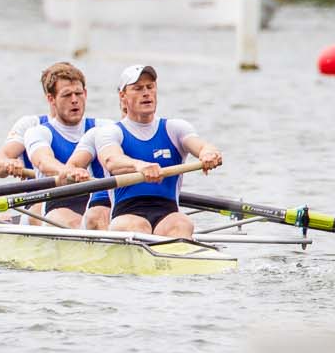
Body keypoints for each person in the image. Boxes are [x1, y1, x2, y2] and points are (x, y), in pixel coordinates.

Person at [68, 64, 223, 240]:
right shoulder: (111, 132)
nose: (146, 93)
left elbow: (202, 146)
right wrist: (139, 165)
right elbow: (112, 160)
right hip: (127, 212)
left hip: (168, 212)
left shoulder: (174, 128)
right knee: (136, 227)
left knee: (182, 223)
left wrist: (209, 154)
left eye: (150, 87)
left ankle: (177, 259)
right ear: (123, 96)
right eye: (138, 88)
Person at [0, 62, 112, 229]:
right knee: (50, 214)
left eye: (78, 93)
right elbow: (3, 165)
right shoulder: (33, 127)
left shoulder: (103, 127)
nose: (74, 100)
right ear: (50, 98)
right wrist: (9, 163)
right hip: (42, 203)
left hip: (93, 202)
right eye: (67, 95)